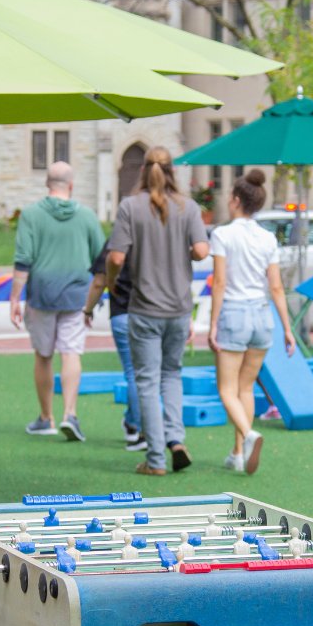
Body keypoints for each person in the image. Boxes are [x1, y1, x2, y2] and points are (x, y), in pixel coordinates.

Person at [106, 148, 209, 475]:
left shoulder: (129, 206)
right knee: (171, 375)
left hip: (145, 309)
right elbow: (202, 252)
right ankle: (176, 440)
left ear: (143, 170)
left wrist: (111, 283)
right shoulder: (188, 207)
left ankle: (155, 460)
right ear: (171, 171)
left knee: (148, 382)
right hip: (179, 308)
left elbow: (116, 258)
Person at [9, 162, 105, 442]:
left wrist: (15, 297)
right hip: (77, 295)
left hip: (42, 293)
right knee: (72, 353)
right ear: (71, 185)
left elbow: (23, 260)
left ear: (47, 184)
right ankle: (70, 414)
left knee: (44, 355)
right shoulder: (87, 216)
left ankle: (46, 417)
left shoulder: (31, 215)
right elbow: (101, 257)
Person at [207, 169, 294, 474]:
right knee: (245, 389)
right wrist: (287, 328)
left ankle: (249, 435)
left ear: (234, 201)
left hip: (234, 313)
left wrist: (213, 323)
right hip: (262, 315)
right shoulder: (267, 237)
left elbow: (219, 282)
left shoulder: (222, 234)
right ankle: (237, 454)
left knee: (227, 390)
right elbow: (276, 287)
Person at [83, 243, 147, 451]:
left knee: (133, 373)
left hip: (123, 312)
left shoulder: (116, 242)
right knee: (151, 373)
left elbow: (99, 281)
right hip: (152, 311)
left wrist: (88, 309)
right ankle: (136, 423)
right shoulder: (152, 234)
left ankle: (139, 428)